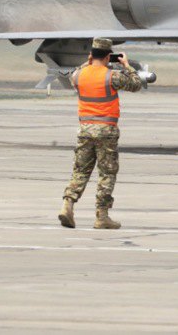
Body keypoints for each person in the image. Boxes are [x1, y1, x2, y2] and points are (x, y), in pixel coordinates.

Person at [58, 37, 143, 229]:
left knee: (80, 171)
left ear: (91, 55)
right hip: (106, 132)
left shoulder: (78, 75)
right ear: (107, 56)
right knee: (107, 173)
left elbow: (75, 74)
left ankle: (67, 204)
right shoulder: (111, 76)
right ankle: (101, 216)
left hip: (85, 130)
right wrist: (127, 65)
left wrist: (88, 62)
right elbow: (136, 84)